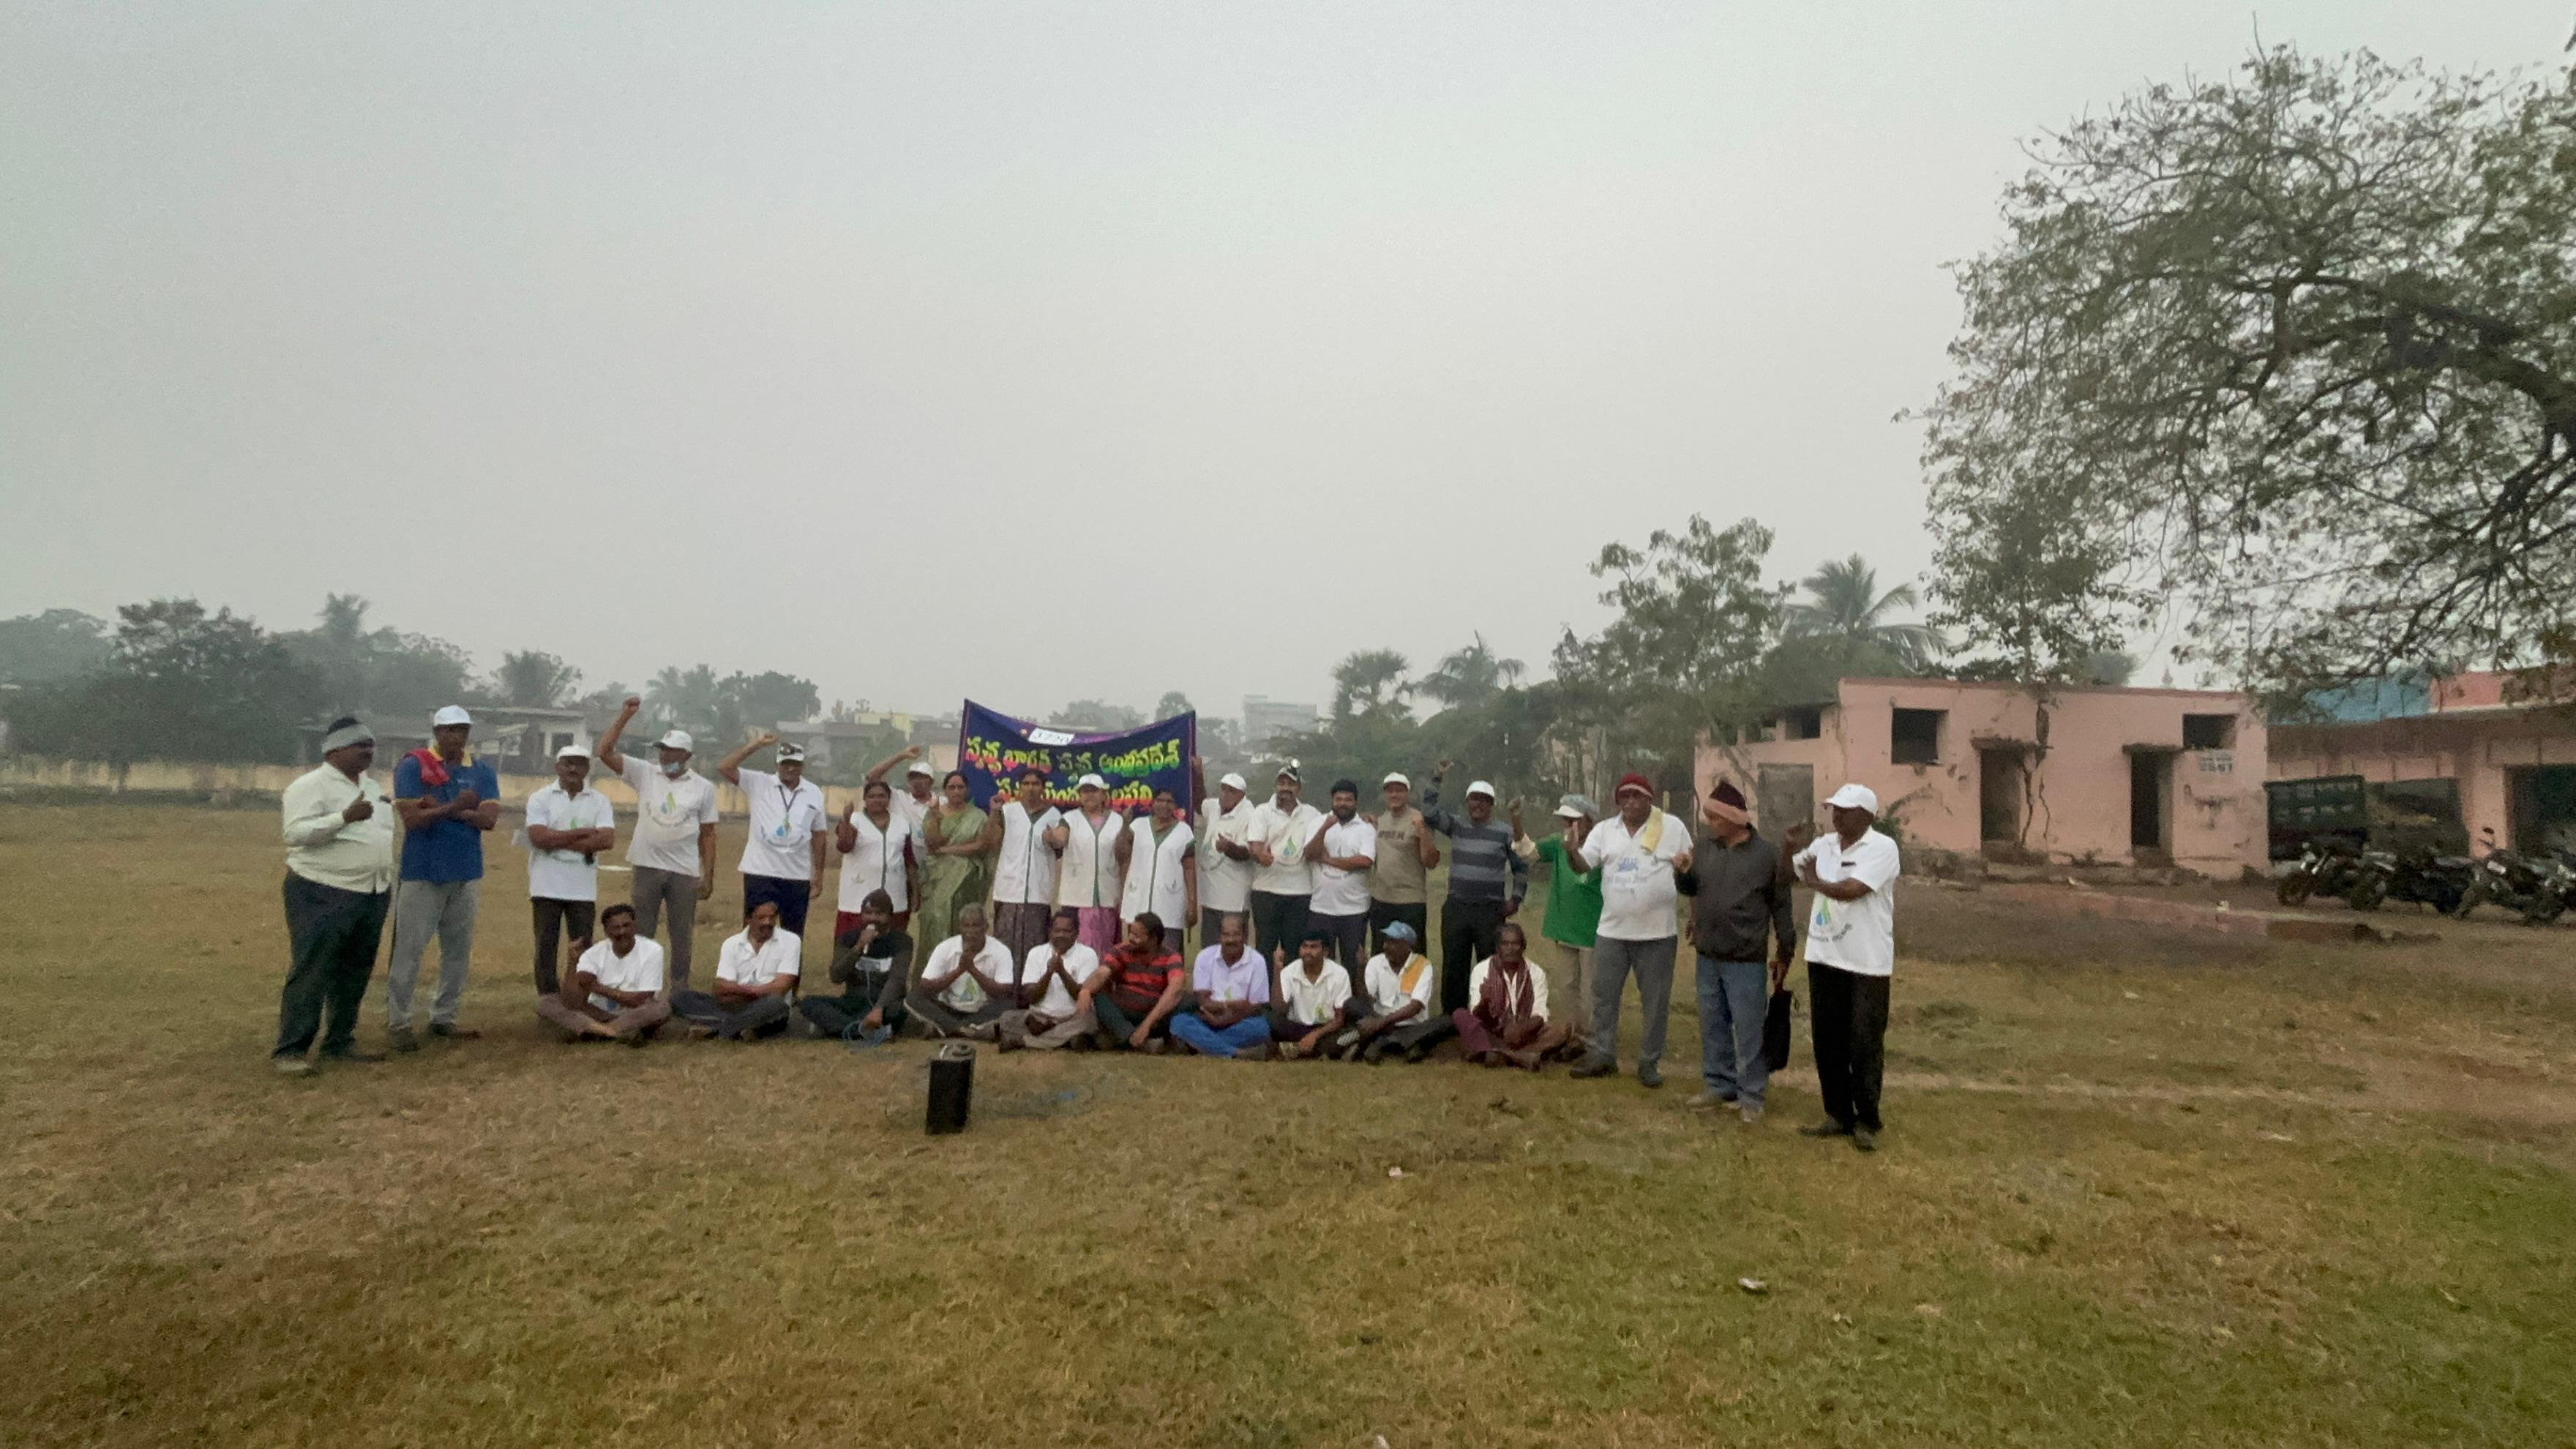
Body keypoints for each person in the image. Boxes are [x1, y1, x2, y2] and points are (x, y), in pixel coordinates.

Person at [274, 716, 397, 1074]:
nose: (368, 751)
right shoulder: (310, 786)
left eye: (371, 745)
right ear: (333, 750)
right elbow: (294, 834)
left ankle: (340, 1041)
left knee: (355, 972)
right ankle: (291, 1050)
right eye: (359, 745)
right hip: (322, 890)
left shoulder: (372, 787)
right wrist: (343, 818)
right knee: (313, 968)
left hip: (371, 892)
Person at [1678, 780, 1798, 1125]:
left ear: (1735, 819)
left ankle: (1752, 1095)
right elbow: (1692, 889)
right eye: (1709, 816)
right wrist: (1682, 873)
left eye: (1716, 817)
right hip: (1708, 955)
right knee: (1712, 1025)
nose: (1710, 822)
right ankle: (1720, 1084)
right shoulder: (1704, 849)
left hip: (1745, 959)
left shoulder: (1767, 856)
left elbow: (1781, 905)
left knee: (1749, 1031)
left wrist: (1785, 951)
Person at [1793, 783, 1903, 1152]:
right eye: (1833, 809)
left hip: (1866, 962)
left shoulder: (1882, 848)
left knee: (1864, 1042)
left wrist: (1815, 882)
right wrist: (1788, 847)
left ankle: (1867, 1119)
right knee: (1828, 1039)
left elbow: (1855, 890)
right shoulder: (1824, 844)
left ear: (1867, 816)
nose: (1836, 816)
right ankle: (1837, 1114)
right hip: (1824, 955)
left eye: (1845, 810)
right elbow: (1792, 871)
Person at [385, 704, 500, 1051]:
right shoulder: (413, 766)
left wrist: (440, 809)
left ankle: (444, 1017)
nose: (457, 736)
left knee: (457, 952)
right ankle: (399, 1021)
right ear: (437, 732)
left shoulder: (481, 770)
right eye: (450, 730)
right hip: (422, 870)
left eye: (462, 730)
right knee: (409, 950)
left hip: (466, 871)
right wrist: (459, 808)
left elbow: (489, 820)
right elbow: (412, 821)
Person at [1568, 773, 1694, 1088]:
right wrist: (1571, 851)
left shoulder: (1672, 827)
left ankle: (1649, 1063)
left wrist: (1694, 914)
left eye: (1637, 796)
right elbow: (1583, 866)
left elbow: (1690, 872)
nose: (1630, 802)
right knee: (1604, 998)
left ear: (1650, 799)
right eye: (1624, 796)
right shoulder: (1604, 830)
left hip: (1658, 934)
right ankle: (1603, 1056)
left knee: (1655, 1003)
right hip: (1612, 931)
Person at [594, 696, 719, 989]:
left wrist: (708, 875)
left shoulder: (703, 788)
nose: (665, 756)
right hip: (647, 866)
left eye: (671, 751)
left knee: (681, 934)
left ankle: (679, 990)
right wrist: (625, 716)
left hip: (684, 871)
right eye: (662, 750)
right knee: (641, 932)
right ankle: (640, 986)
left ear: (686, 755)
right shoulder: (645, 773)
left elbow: (708, 834)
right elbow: (604, 752)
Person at [1417, 763, 1529, 1016]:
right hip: (1457, 907)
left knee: (1489, 965)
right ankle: (1453, 1019)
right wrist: (1437, 777)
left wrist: (1516, 899)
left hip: (1490, 909)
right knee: (1454, 965)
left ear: (1491, 804)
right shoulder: (1457, 825)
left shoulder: (1504, 832)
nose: (1478, 804)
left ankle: (1489, 1016)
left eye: (1484, 800)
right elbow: (1429, 812)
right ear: (1467, 802)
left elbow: (1521, 867)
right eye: (1473, 799)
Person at [522, 744, 617, 1000]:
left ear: (587, 768)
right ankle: (549, 998)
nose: (573, 769)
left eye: (579, 764)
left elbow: (606, 840)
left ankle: (578, 995)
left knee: (583, 945)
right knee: (546, 945)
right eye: (568, 763)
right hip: (546, 884)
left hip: (582, 887)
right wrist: (583, 834)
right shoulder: (541, 798)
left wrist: (557, 839)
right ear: (558, 767)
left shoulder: (599, 800)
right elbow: (539, 838)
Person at [719, 731, 829, 942]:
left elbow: (819, 835)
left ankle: (789, 967)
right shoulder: (759, 782)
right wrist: (756, 744)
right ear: (778, 764)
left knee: (793, 938)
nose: (790, 768)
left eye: (795, 764)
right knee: (754, 933)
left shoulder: (814, 792)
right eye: (786, 763)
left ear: (802, 766)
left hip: (796, 875)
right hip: (761, 871)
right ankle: (751, 965)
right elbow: (725, 767)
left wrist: (819, 876)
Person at [1513, 794, 1603, 1051]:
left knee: (1590, 990)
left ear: (1588, 821)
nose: (1568, 825)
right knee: (1566, 986)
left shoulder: (1602, 844)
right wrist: (1516, 822)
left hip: (1594, 930)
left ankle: (1592, 1038)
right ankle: (1571, 1035)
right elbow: (1528, 852)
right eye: (1565, 820)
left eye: (1574, 820)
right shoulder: (1558, 843)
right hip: (1564, 927)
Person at [539, 902, 673, 1044]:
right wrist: (573, 962)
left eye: (626, 926)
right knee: (547, 1003)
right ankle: (611, 1033)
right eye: (616, 928)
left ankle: (593, 1031)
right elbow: (571, 1003)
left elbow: (641, 1000)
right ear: (606, 931)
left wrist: (596, 987)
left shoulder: (652, 950)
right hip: (598, 1013)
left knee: (661, 1007)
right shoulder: (593, 954)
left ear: (635, 927)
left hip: (635, 1013)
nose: (622, 932)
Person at [671, 899, 801, 1040]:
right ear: (748, 919)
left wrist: (742, 991)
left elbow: (780, 989)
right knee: (681, 998)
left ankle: (717, 1029)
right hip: (736, 1005)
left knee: (776, 1005)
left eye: (772, 917)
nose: (768, 922)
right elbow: (720, 988)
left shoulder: (791, 941)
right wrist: (750, 992)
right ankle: (742, 1028)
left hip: (767, 1005)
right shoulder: (731, 943)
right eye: (761, 918)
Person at [801, 888, 914, 1041]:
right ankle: (865, 1031)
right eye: (868, 913)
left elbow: (897, 980)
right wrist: (858, 948)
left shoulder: (902, 941)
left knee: (898, 1011)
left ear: (889, 916)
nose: (872, 918)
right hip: (854, 1000)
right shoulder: (848, 938)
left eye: (879, 914)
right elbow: (836, 977)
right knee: (808, 1003)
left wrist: (879, 1008)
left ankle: (840, 1027)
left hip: (884, 1002)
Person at [1455, 924, 1570, 1069]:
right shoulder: (1482, 970)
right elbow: (1476, 1016)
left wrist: (1520, 1030)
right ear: (1498, 948)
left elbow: (1540, 1015)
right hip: (1492, 1031)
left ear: (1523, 948)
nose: (1510, 948)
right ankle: (1520, 1057)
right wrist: (1484, 1002)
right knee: (1460, 1015)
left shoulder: (1536, 972)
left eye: (1515, 944)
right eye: (1505, 944)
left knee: (1563, 1029)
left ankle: (1498, 1055)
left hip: (1525, 1034)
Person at [1244, 764, 1323, 970]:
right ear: (1276, 786)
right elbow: (1255, 846)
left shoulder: (1312, 814)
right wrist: (1260, 855)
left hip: (1300, 892)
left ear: (1299, 788)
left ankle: (1291, 990)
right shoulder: (1263, 811)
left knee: (1294, 950)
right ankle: (1264, 991)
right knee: (1265, 948)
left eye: (1291, 784)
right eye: (1281, 783)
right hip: (1266, 891)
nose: (1285, 788)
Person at [980, 768, 1064, 963]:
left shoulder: (1054, 815)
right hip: (1008, 892)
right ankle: (1005, 982)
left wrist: (1052, 839)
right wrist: (994, 812)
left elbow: (1060, 849)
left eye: (1035, 784)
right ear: (1020, 787)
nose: (1031, 788)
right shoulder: (1008, 811)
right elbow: (989, 841)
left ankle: (1029, 983)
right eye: (1026, 784)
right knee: (1004, 948)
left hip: (1038, 894)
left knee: (1035, 949)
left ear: (1043, 788)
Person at [1336, 921, 1448, 1063]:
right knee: (1351, 1004)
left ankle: (1377, 1041)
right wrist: (1361, 968)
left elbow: (1415, 1007)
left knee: (1447, 1021)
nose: (1385, 947)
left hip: (1410, 1024)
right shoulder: (1376, 962)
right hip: (1377, 1018)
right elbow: (1365, 999)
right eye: (1386, 942)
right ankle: (1403, 1044)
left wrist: (1381, 1023)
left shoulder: (1423, 966)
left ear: (1407, 946)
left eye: (1393, 942)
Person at [1168, 913, 1271, 1059]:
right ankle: (1236, 1053)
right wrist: (1231, 1005)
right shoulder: (1205, 957)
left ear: (1245, 937)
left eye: (1236, 935)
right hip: (1208, 1019)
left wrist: (1226, 1019)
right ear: (1219, 937)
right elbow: (1203, 1002)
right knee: (1179, 1023)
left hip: (1240, 1021)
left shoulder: (1257, 961)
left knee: (1260, 1028)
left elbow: (1253, 1008)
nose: (1230, 940)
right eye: (1226, 935)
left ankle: (1200, 1045)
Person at [905, 903, 1015, 1039]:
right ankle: (965, 1029)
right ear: (960, 928)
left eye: (975, 926)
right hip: (949, 1010)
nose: (970, 931)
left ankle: (950, 1029)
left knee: (1009, 1005)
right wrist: (959, 970)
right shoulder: (945, 948)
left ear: (986, 927)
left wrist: (972, 969)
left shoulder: (1001, 951)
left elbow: (1004, 992)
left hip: (982, 1011)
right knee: (913, 999)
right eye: (966, 926)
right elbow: (925, 987)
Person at [834, 779, 926, 938]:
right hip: (858, 893)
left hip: (894, 893)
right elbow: (844, 847)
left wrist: (915, 892)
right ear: (865, 799)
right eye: (872, 796)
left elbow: (909, 861)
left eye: (882, 796)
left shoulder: (901, 823)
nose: (877, 800)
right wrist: (846, 820)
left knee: (891, 941)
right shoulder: (855, 820)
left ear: (889, 799)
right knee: (852, 941)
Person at [1084, 911, 1187, 1051]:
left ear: (1153, 939)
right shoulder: (1122, 950)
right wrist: (1086, 990)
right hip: (1125, 1011)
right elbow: (1103, 972)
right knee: (1098, 995)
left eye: (1137, 936)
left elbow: (1176, 985)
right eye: (1131, 934)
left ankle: (1125, 1039)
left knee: (1187, 1001)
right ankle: (1133, 1039)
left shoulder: (1171, 956)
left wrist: (1147, 1025)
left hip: (1155, 1014)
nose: (1131, 939)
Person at [998, 910, 1100, 1051]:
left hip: (1072, 1018)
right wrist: (1049, 973)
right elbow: (1032, 998)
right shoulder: (1036, 953)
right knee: (1007, 1018)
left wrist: (1062, 972)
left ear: (1076, 933)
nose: (1061, 935)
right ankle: (1065, 1040)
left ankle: (1025, 1041)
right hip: (1039, 1018)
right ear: (1049, 932)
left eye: (1067, 931)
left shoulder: (1088, 954)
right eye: (1057, 931)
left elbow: (1080, 996)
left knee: (1089, 1023)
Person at [1303, 779, 1377, 969]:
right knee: (1321, 964)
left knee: (1352, 963)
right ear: (1332, 800)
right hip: (1321, 907)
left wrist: (1329, 860)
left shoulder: (1366, 828)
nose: (1343, 804)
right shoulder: (1318, 823)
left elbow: (1364, 861)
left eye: (1348, 800)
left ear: (1356, 802)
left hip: (1354, 909)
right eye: (1339, 799)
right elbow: (1310, 854)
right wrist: (1325, 828)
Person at [1048, 774, 1127, 951]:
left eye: (1094, 791)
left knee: (1107, 948)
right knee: (1074, 949)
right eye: (1085, 791)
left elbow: (1124, 857)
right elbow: (1061, 837)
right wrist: (1053, 837)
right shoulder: (1069, 819)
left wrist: (1123, 893)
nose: (1089, 795)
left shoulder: (1117, 821)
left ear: (1103, 794)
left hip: (1107, 897)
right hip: (1076, 897)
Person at [914, 771, 991, 953]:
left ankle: (963, 965)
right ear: (945, 791)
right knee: (934, 921)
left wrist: (947, 850)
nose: (956, 791)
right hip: (936, 879)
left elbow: (980, 846)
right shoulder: (934, 813)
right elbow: (932, 844)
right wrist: (934, 816)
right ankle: (933, 967)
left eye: (960, 787)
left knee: (962, 923)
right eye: (952, 787)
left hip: (966, 881)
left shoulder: (978, 816)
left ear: (967, 790)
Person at [1366, 772, 1438, 952]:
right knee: (1381, 954)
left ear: (1407, 793)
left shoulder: (1418, 819)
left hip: (1410, 900)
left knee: (1412, 954)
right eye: (1390, 791)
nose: (1394, 795)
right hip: (1381, 899)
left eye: (1399, 790)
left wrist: (1422, 833)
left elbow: (1430, 862)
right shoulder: (1381, 820)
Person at [1191, 757, 1255, 951]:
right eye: (1223, 789)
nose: (1225, 795)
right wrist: (1198, 773)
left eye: (1231, 791)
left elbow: (1247, 853)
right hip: (1210, 896)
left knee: (1233, 949)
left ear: (1241, 795)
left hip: (1233, 900)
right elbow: (1199, 804)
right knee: (1210, 950)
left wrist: (1228, 848)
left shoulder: (1249, 815)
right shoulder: (1215, 807)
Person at [1116, 787, 1197, 936]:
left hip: (1169, 901)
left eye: (1169, 802)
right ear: (1153, 803)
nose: (1164, 805)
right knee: (1137, 944)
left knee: (1167, 946)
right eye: (1160, 801)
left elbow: (1190, 869)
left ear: (1175, 806)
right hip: (1138, 898)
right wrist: (1125, 824)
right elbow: (1121, 853)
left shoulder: (1184, 831)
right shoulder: (1138, 825)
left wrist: (1192, 903)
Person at [1268, 931, 1352, 1060]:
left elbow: (1339, 1019)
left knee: (1352, 1031)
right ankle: (1322, 1052)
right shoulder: (1289, 971)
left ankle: (1295, 1049)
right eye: (1304, 947)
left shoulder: (1339, 974)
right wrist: (1277, 970)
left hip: (1326, 1029)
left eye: (1313, 947)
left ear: (1325, 952)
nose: (1308, 952)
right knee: (1270, 1021)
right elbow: (1279, 1009)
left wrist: (1315, 1035)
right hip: (1297, 1028)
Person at [864, 745, 940, 829]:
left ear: (931, 782)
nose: (916, 781)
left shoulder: (942, 802)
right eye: (913, 777)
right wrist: (901, 756)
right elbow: (872, 777)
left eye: (921, 777)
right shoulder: (898, 798)